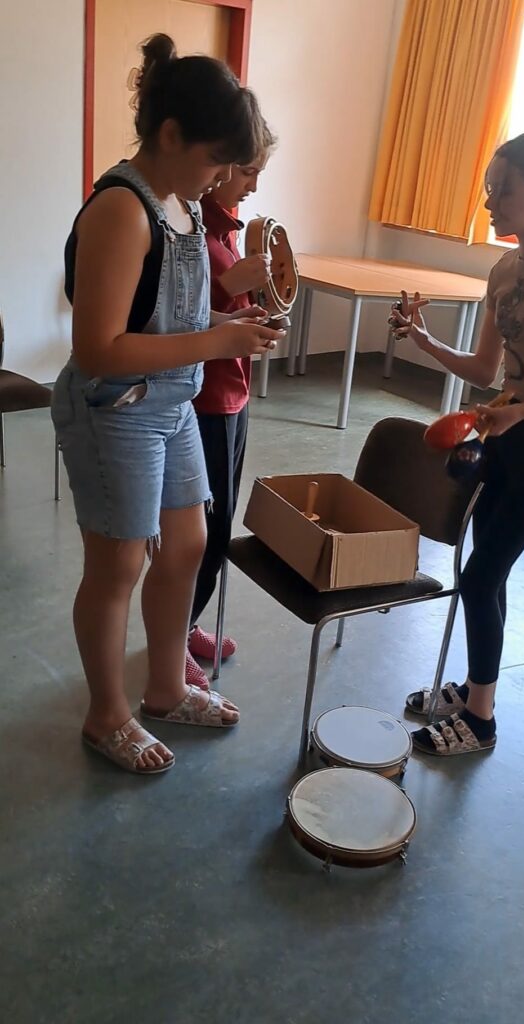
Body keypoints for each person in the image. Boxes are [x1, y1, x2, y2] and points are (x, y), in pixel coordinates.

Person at [51, 34, 285, 775]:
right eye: (216, 159)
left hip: (172, 402)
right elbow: (100, 349)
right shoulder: (122, 210)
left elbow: (166, 321)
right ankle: (106, 715)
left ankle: (165, 689)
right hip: (115, 408)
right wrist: (214, 343)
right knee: (120, 563)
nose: (220, 177)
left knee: (186, 545)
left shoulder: (182, 206)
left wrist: (228, 326)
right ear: (172, 135)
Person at [391, 128, 524, 756]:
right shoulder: (505, 269)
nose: (490, 202)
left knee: (481, 576)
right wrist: (424, 339)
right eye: (489, 189)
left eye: (503, 190)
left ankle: (480, 719)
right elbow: (486, 368)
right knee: (486, 568)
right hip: (502, 434)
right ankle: (473, 688)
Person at [184, 119, 278, 688]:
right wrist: (230, 286)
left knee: (217, 526)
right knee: (201, 531)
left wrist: (249, 312)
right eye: (246, 170)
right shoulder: (190, 225)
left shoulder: (226, 228)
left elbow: (217, 314)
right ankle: (174, 636)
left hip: (233, 394)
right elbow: (177, 313)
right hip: (204, 399)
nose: (252, 184)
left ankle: (186, 624)